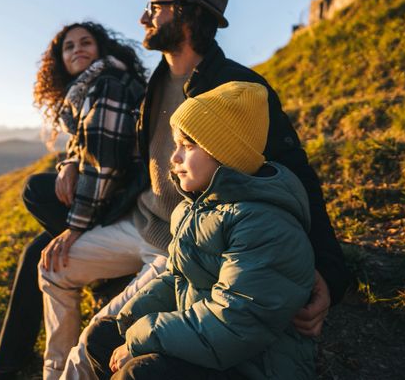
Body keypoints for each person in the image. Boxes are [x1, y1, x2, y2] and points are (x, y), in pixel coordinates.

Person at [39, 0, 350, 380]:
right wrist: (75, 172)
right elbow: (123, 152)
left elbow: (293, 177)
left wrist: (329, 273)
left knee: (89, 354)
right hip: (140, 220)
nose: (143, 18)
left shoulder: (237, 88)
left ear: (187, 14)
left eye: (155, 6)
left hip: (180, 242)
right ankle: (50, 367)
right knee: (51, 267)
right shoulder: (157, 80)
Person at [86, 81, 316, 379]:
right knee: (102, 337)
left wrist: (141, 337)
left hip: (254, 364)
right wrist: (130, 321)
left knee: (142, 373)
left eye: (188, 145)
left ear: (225, 153)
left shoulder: (264, 224)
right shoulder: (195, 207)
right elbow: (177, 277)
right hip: (205, 339)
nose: (174, 157)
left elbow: (235, 321)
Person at [0, 22, 148, 380]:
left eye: (86, 42)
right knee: (37, 252)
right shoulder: (86, 90)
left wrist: (74, 230)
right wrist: (70, 162)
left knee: (36, 190)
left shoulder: (108, 84)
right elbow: (87, 151)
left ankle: (15, 366)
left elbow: (105, 165)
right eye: (69, 46)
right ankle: (8, 365)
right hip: (113, 201)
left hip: (127, 206)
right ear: (60, 61)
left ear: (101, 49)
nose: (77, 50)